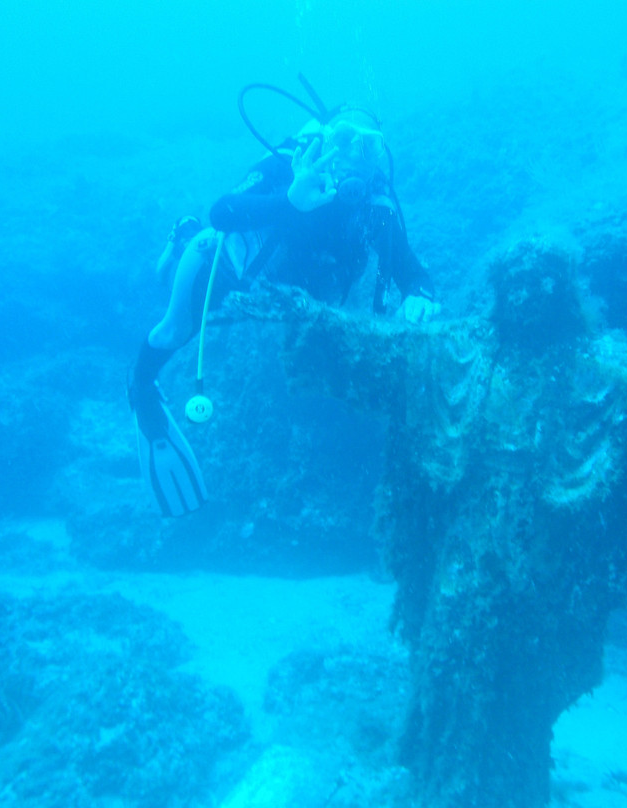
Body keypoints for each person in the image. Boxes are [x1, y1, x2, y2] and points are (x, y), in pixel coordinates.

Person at [129, 108, 438, 517]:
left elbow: (413, 272)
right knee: (176, 327)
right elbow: (222, 212)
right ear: (325, 138)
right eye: (345, 138)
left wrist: (419, 295)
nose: (353, 155)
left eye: (369, 146)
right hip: (237, 272)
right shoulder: (287, 165)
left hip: (288, 301)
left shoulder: (376, 207)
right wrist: (290, 202)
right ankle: (142, 390)